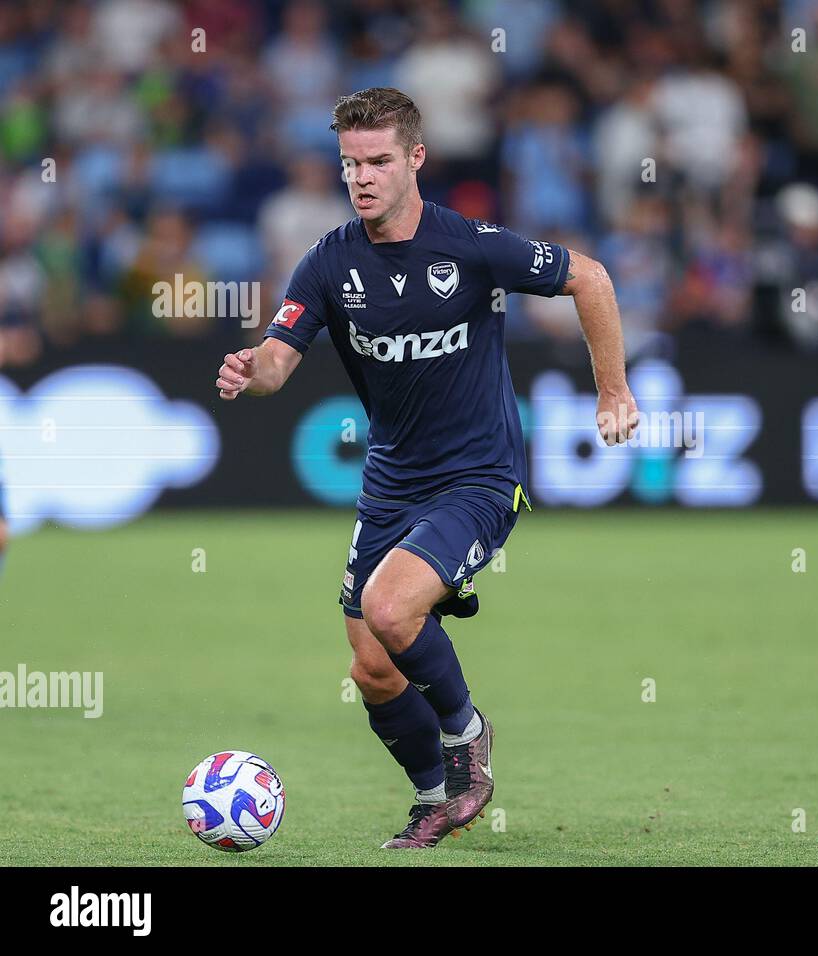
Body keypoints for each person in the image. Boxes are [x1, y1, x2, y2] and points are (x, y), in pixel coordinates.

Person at [215, 88, 639, 849]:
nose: (362, 178)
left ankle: (469, 738)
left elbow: (593, 278)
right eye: (350, 164)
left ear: (415, 159)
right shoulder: (328, 261)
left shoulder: (472, 246)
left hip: (479, 475)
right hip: (391, 482)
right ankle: (432, 797)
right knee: (372, 672)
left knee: (388, 608)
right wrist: (253, 369)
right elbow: (281, 360)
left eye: (378, 161)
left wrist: (614, 391)